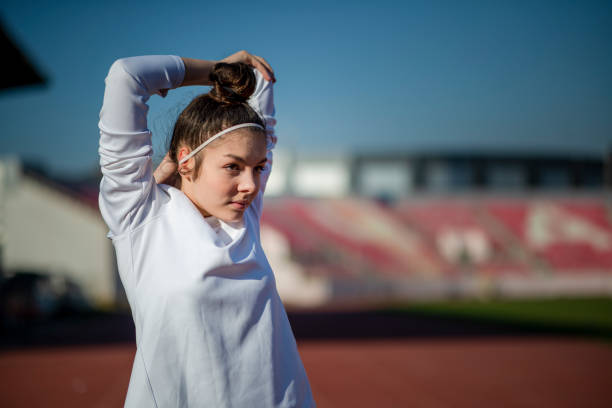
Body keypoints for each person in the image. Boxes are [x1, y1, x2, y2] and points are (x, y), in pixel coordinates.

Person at [98, 50, 315, 407]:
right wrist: (217, 71)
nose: (252, 185)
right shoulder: (139, 216)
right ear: (185, 160)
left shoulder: (245, 219)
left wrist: (241, 82)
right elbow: (126, 76)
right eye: (233, 166)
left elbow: (260, 91)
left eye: (259, 168)